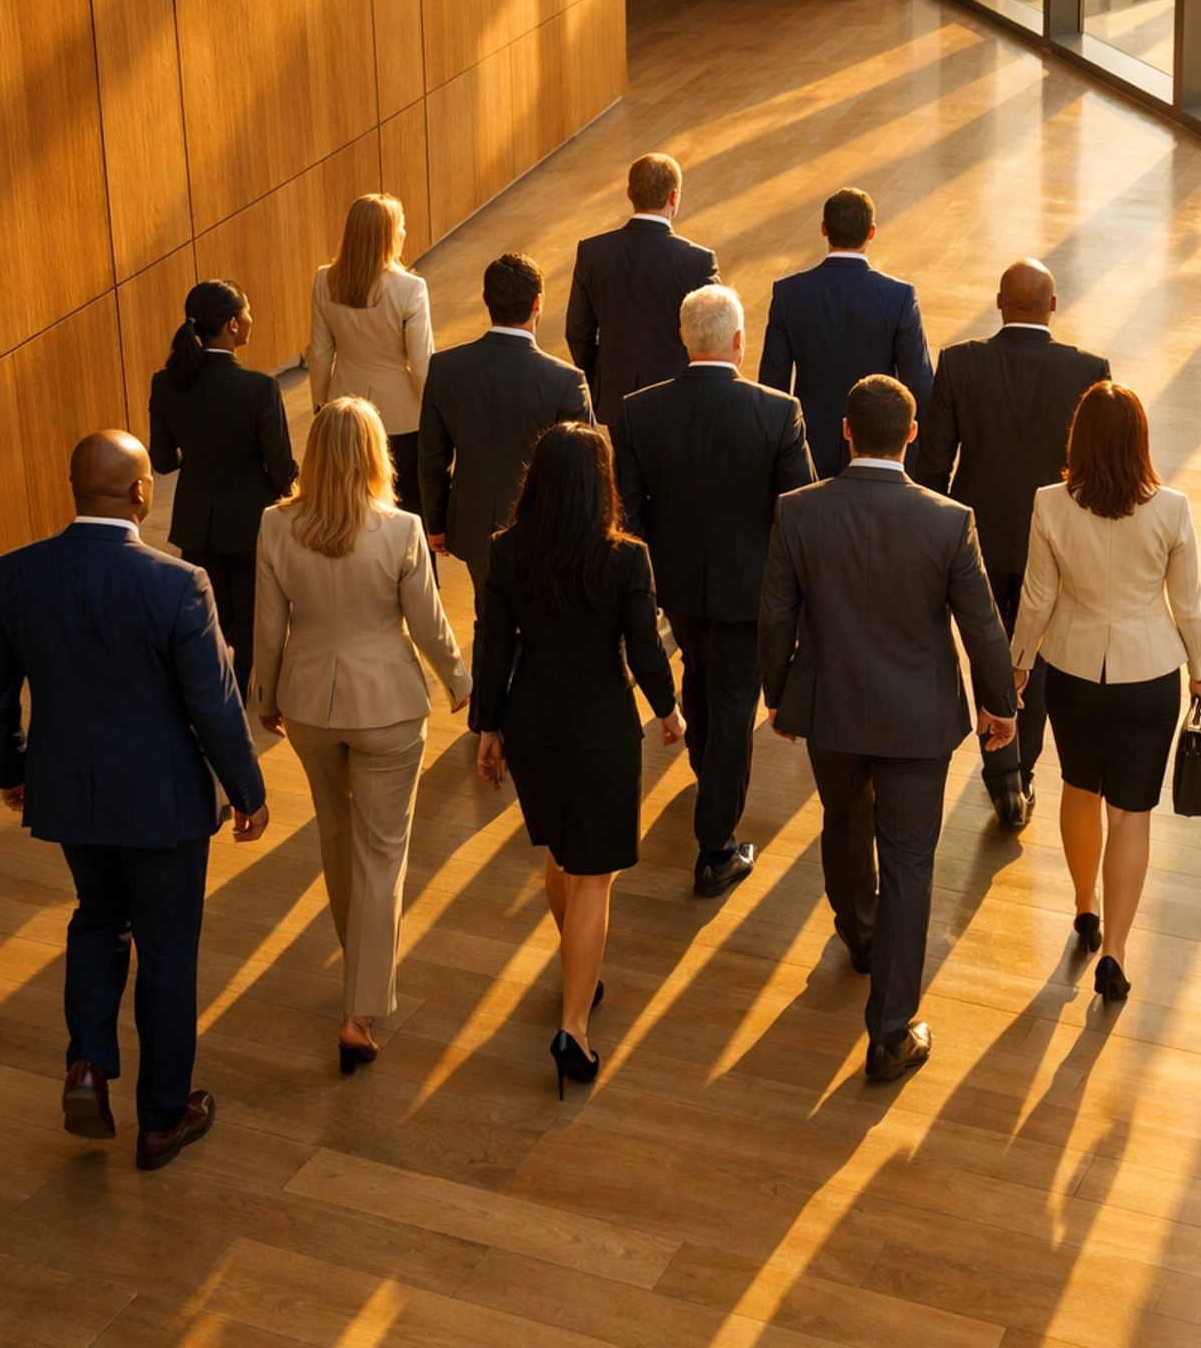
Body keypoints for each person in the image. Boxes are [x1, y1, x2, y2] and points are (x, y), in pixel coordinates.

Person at [0, 431, 269, 1170]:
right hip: (163, 805)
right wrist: (247, 791)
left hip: (68, 791)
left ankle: (88, 1067)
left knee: (99, 918)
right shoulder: (177, 583)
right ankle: (163, 1121)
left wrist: (11, 769)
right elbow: (214, 704)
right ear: (140, 493)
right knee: (167, 948)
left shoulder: (16, 575)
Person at [759, 376, 1017, 1081]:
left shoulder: (798, 512)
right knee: (910, 860)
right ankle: (891, 1030)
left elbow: (776, 615)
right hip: (917, 720)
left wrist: (778, 695)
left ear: (845, 431)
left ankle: (860, 935)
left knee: (843, 821)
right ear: (910, 435)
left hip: (831, 711)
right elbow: (983, 625)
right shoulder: (946, 519)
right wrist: (1001, 708)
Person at [255, 398, 471, 1071]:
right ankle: (359, 1009)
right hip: (389, 709)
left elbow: (267, 626)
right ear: (378, 454)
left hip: (309, 706)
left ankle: (360, 964)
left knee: (336, 838)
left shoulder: (274, 525)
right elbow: (429, 624)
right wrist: (461, 683)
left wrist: (265, 695)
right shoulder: (401, 529)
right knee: (382, 852)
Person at [473, 423, 685, 1095]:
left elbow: (494, 650)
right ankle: (574, 1028)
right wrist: (670, 708)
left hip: (533, 728)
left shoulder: (507, 553)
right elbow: (645, 648)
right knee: (595, 875)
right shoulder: (625, 558)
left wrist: (488, 729)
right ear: (601, 484)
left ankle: (578, 970)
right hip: (601, 731)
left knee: (562, 856)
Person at [1010, 383, 1201, 1005]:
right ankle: (1117, 952)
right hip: (1149, 677)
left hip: (1070, 671)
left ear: (1079, 439)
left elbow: (1037, 598)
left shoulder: (1049, 504)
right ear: (1140, 441)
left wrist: (1017, 666)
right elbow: (1189, 604)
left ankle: (1084, 907)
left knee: (1078, 787)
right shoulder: (1172, 508)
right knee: (1130, 812)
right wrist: (1200, 672)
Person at [616, 284, 813, 898]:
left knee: (700, 681)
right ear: (738, 341)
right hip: (747, 591)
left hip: (674, 585)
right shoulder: (778, 412)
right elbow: (799, 511)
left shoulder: (639, 410)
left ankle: (710, 778)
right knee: (729, 705)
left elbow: (628, 510)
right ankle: (716, 849)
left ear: (684, 338)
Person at [920, 257, 1110, 831]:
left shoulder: (959, 363)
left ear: (999, 304)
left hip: (973, 537)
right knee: (1039, 658)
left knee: (989, 649)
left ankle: (1003, 776)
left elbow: (931, 467)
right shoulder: (1089, 371)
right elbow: (1096, 467)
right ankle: (1022, 774)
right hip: (1055, 542)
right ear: (1053, 307)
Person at [418, 251, 592, 673]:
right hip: (546, 531)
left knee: (488, 617)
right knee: (542, 625)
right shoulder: (566, 380)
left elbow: (430, 457)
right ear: (538, 303)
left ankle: (486, 722)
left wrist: (436, 524)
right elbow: (584, 470)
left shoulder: (444, 368)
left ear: (485, 300)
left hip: (474, 524)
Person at [149, 278, 296, 701]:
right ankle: (249, 700)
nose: (251, 319)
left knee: (208, 619)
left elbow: (161, 461)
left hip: (197, 525)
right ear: (232, 325)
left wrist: (196, 458)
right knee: (253, 623)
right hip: (252, 526)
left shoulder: (165, 384)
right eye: (247, 312)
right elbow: (282, 470)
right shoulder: (259, 388)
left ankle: (206, 694)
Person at [758, 186, 935, 479]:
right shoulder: (898, 297)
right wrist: (904, 452)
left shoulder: (789, 294)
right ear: (872, 232)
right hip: (878, 451)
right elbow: (919, 384)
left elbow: (773, 386)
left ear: (824, 229)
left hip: (808, 450)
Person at [565, 153, 718, 431]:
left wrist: (599, 380)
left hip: (617, 397)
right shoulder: (697, 261)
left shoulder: (592, 253)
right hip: (682, 400)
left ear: (629, 192)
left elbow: (578, 332)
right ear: (674, 197)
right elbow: (712, 334)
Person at [308, 194, 433, 513]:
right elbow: (421, 366)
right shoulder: (410, 289)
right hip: (402, 416)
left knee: (350, 506)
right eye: (402, 226)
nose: (405, 232)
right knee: (409, 508)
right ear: (390, 235)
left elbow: (320, 354)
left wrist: (322, 407)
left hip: (343, 410)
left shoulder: (324, 280)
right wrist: (436, 412)